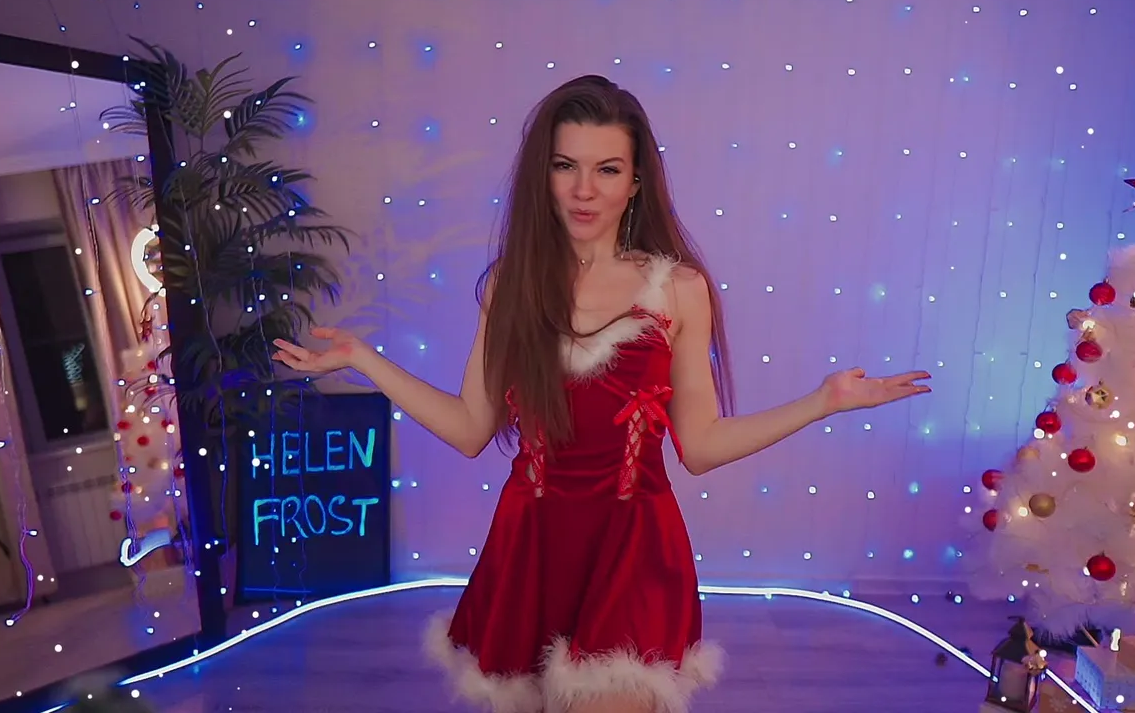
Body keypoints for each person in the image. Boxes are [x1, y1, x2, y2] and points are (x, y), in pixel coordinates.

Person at [272, 75, 930, 713]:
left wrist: (822, 402)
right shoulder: (511, 285)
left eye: (608, 170)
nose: (584, 190)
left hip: (632, 546)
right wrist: (362, 359)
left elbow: (701, 446)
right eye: (566, 166)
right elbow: (471, 427)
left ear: (636, 181)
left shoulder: (678, 290)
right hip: (530, 550)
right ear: (543, 175)